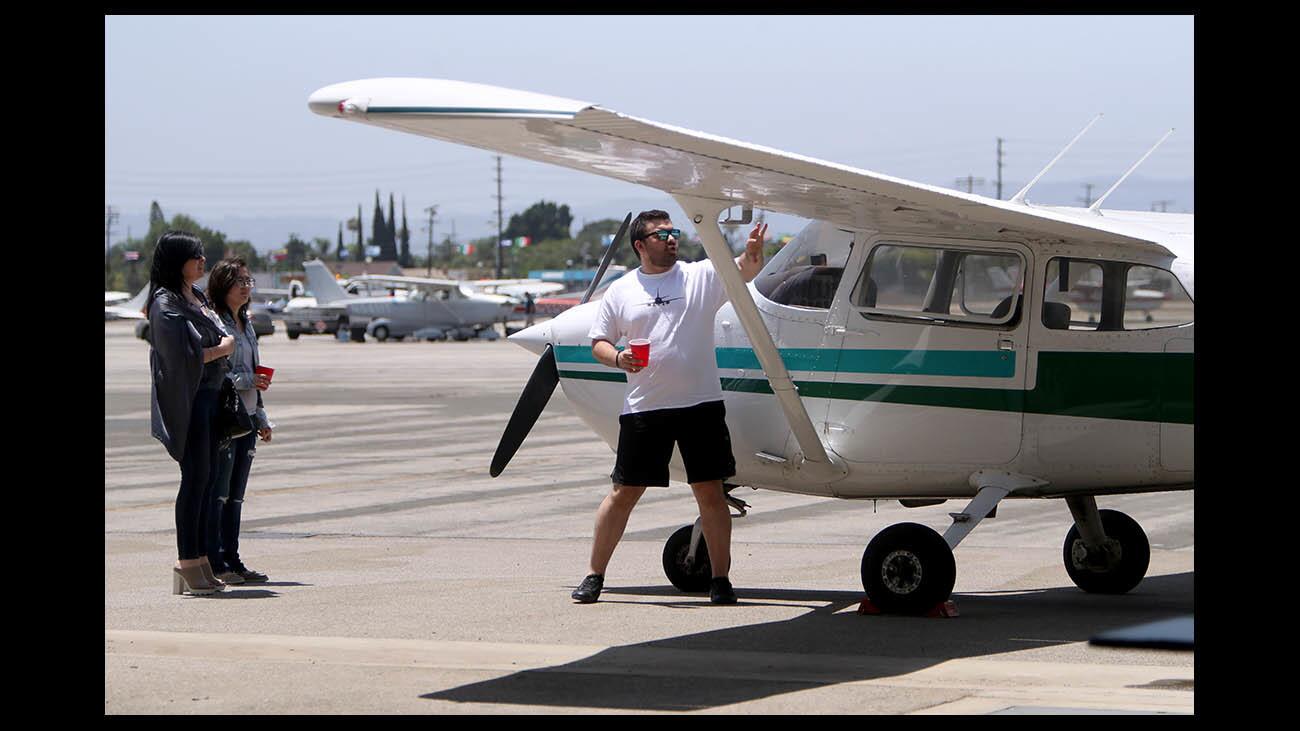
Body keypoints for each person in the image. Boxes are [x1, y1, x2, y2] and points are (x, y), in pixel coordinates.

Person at [572, 210, 767, 605]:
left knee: (709, 492)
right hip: (645, 407)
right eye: (661, 235)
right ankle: (594, 576)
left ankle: (720, 580)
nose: (671, 239)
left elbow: (743, 271)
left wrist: (752, 253)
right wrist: (618, 358)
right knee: (624, 492)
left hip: (701, 404)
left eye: (673, 232)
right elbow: (599, 341)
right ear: (640, 245)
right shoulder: (622, 290)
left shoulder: (700, 276)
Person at [147, 231, 236, 596]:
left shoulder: (195, 296)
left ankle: (201, 560)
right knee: (195, 478)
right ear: (176, 260)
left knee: (208, 478)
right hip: (191, 399)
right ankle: (187, 561)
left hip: (212, 395)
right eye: (194, 256)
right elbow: (182, 356)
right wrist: (223, 349)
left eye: (202, 255)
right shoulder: (164, 302)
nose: (202, 262)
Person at [205, 258, 275, 585]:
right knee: (219, 491)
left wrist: (261, 416)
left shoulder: (246, 323)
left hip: (246, 417)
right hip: (224, 417)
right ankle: (215, 561)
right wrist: (249, 380)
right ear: (223, 286)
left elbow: (254, 373)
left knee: (236, 494)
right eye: (240, 282)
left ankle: (233, 558)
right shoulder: (216, 323)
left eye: (249, 281)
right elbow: (216, 372)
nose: (246, 287)